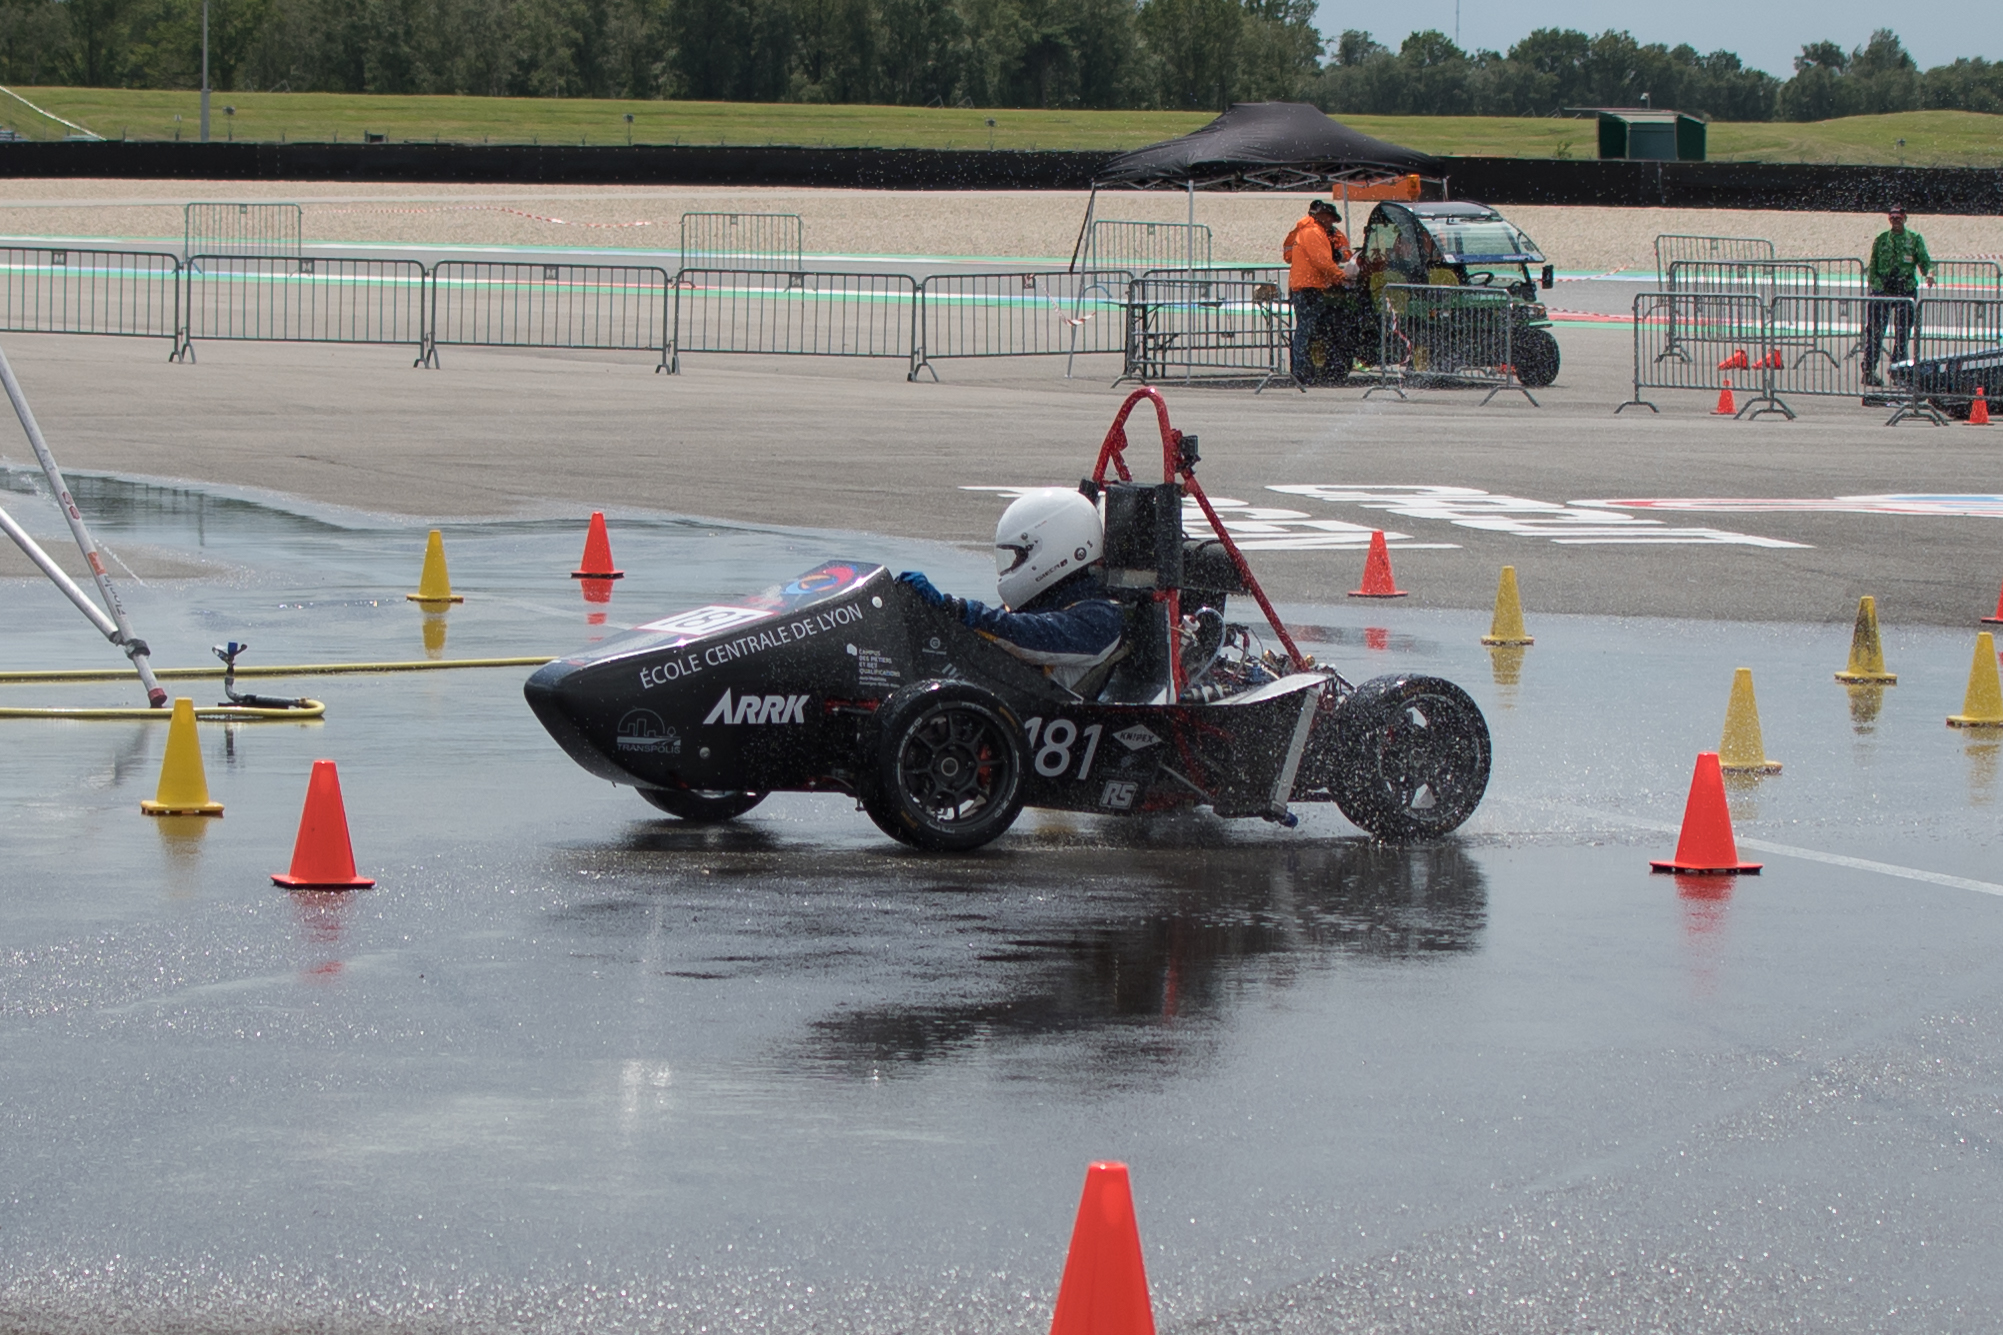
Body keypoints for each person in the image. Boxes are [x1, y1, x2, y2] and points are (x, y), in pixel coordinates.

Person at [896, 488, 1123, 692]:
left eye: (1020, 556)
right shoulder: (1045, 604)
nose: (1012, 567)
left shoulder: (1101, 618)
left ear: (1058, 549)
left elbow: (1030, 635)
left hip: (1036, 714)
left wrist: (957, 608)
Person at [1862, 204, 1934, 387]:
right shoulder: (1882, 240)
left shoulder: (1914, 239)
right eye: (1892, 217)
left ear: (1904, 218)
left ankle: (1899, 372)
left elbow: (1924, 261)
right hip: (1883, 290)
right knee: (1875, 332)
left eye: (1899, 217)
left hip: (1905, 290)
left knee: (1902, 333)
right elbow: (1873, 265)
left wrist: (1929, 274)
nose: (1895, 220)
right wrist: (1874, 287)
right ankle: (1869, 371)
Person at [1283, 199, 1353, 385]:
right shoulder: (1313, 232)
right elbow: (1321, 260)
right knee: (1307, 331)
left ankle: (1304, 371)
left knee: (1309, 330)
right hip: (1309, 287)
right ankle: (1302, 373)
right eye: (1329, 218)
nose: (1331, 222)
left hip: (1308, 285)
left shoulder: (1309, 231)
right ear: (1321, 216)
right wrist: (1340, 275)